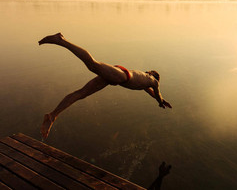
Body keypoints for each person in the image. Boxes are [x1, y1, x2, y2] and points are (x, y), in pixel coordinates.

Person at [39, 33, 172, 140]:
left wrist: (161, 100)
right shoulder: (153, 81)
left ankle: (52, 116)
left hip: (117, 77)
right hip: (122, 76)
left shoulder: (145, 82)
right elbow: (157, 93)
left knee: (81, 93)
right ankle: (62, 40)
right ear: (155, 76)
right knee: (92, 64)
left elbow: (152, 94)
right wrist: (160, 102)